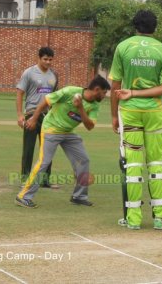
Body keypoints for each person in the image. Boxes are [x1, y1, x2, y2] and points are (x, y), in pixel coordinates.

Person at [109, 9, 162, 230]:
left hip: (128, 111)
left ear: (135, 26)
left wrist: (113, 115)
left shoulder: (124, 47)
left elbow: (115, 86)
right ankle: (160, 219)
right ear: (155, 27)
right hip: (154, 112)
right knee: (157, 164)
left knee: (133, 164)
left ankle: (133, 220)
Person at [15, 75, 111, 208]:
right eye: (104, 92)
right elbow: (46, 101)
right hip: (51, 129)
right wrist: (34, 119)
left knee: (83, 160)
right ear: (97, 89)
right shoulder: (70, 91)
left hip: (68, 132)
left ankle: (79, 196)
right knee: (44, 162)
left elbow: (90, 126)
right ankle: (23, 196)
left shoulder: (94, 105)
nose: (105, 96)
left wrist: (81, 108)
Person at [16, 47, 58, 188]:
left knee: (47, 149)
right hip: (31, 114)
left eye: (50, 59)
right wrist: (20, 115)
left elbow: (54, 97)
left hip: (48, 116)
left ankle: (45, 180)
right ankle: (25, 179)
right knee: (28, 149)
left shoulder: (53, 75)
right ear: (39, 58)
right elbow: (20, 93)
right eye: (45, 59)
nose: (48, 62)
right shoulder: (29, 73)